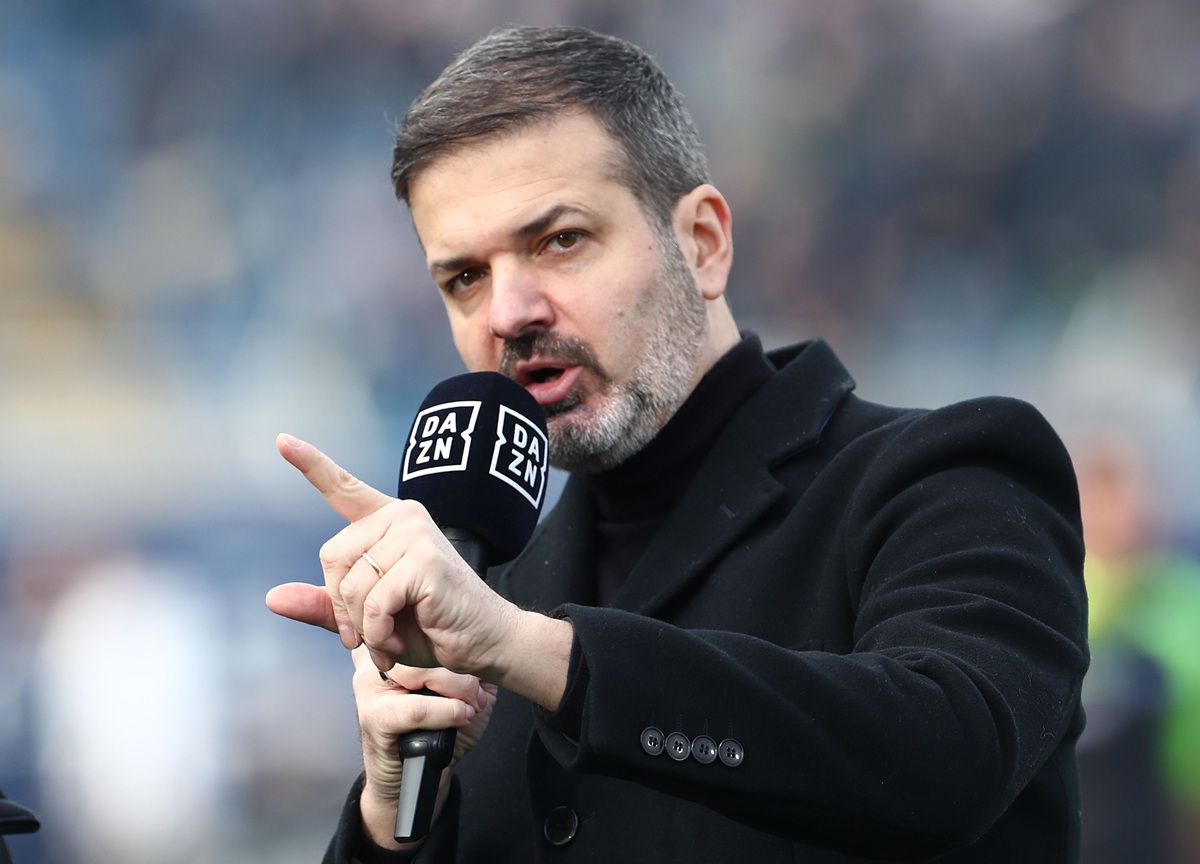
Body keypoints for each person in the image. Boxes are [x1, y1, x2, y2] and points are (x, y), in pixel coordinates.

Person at [266, 25, 1089, 863]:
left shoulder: (950, 472)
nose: (508, 313)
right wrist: (395, 820)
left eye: (560, 240)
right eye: (465, 277)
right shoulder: (496, 600)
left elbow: (950, 756)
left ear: (702, 243)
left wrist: (540, 656)